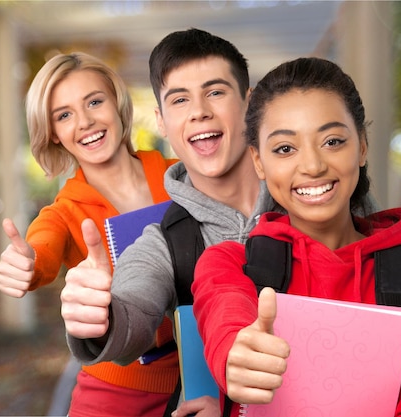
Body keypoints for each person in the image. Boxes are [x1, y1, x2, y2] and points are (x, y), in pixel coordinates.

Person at [191, 57, 401, 417]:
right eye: (285, 148)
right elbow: (226, 311)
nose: (313, 166)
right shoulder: (229, 264)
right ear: (258, 162)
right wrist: (237, 354)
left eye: (332, 141)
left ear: (361, 146)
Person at [60, 28, 284, 417]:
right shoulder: (162, 242)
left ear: (250, 104)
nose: (199, 110)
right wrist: (100, 318)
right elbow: (133, 312)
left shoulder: (315, 198)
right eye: (179, 100)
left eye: (215, 92)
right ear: (161, 122)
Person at [0, 52, 180, 417]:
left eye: (94, 101)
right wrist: (27, 263)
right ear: (53, 134)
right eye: (64, 115)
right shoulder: (63, 213)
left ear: (117, 103)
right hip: (115, 396)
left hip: (206, 383)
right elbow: (41, 248)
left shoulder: (181, 178)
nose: (85, 122)